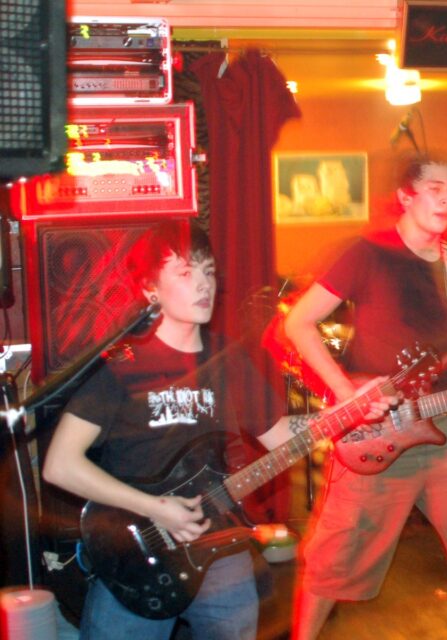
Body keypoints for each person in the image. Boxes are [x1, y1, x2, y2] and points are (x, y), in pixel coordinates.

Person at [41, 221, 343, 639]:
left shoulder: (229, 359)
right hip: (137, 548)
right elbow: (59, 465)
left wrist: (348, 416)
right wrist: (153, 508)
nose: (204, 284)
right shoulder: (121, 363)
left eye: (209, 271)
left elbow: (279, 437)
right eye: (185, 273)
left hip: (220, 542)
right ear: (151, 290)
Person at [283, 152, 447, 640]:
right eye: (436, 188)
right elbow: (298, 323)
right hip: (378, 426)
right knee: (338, 548)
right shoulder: (367, 253)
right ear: (406, 195)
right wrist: (346, 394)